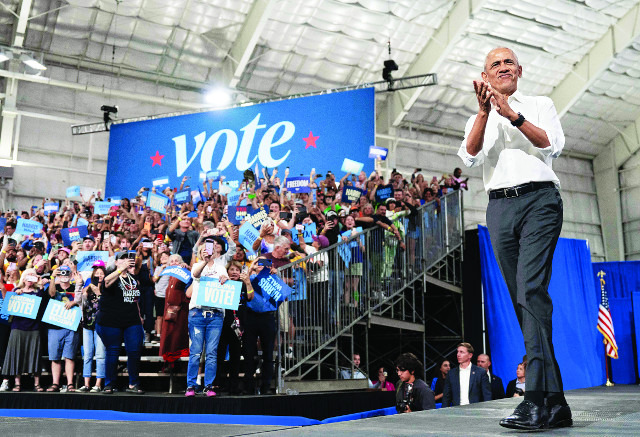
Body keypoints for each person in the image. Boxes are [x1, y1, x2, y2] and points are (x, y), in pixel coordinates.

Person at [457, 46, 570, 429]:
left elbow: (551, 144)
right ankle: (556, 404)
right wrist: (488, 112)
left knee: (530, 291)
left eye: (509, 63)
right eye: (495, 65)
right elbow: (470, 155)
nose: (503, 67)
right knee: (525, 303)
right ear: (484, 77)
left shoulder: (540, 103)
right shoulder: (480, 116)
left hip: (539, 201)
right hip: (499, 208)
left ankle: (534, 398)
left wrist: (513, 115)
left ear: (519, 71)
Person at [185, 235, 233, 397]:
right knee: (196, 351)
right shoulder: (198, 265)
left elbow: (226, 283)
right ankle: (191, 385)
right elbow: (196, 275)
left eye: (210, 249)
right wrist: (205, 260)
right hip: (197, 313)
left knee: (212, 352)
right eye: (205, 249)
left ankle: (209, 386)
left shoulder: (221, 266)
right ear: (200, 251)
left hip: (215, 314)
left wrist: (224, 279)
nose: (208, 251)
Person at [96, 250, 145, 394]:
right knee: (113, 351)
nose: (125, 260)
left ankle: (133, 384)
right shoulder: (111, 276)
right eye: (122, 258)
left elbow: (135, 299)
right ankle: (109, 384)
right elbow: (106, 282)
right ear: (116, 262)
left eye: (127, 258)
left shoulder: (134, 279)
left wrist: (139, 314)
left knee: (135, 351)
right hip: (110, 320)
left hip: (131, 319)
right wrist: (121, 269)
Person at [76, 263, 106, 392]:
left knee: (100, 355)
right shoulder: (88, 289)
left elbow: (106, 304)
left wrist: (98, 292)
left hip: (101, 325)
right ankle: (86, 384)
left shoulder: (107, 288)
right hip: (87, 325)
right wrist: (79, 285)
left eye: (101, 273)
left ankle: (98, 383)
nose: (99, 275)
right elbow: (78, 301)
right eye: (97, 273)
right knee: (87, 355)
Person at [442, 343, 491, 407]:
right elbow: (446, 397)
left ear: (470, 355)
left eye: (461, 352)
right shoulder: (451, 373)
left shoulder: (480, 372)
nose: (458, 354)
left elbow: (487, 396)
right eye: (458, 352)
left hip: (476, 412)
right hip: (457, 412)